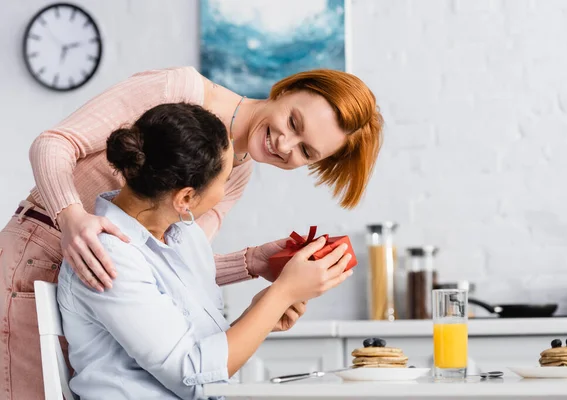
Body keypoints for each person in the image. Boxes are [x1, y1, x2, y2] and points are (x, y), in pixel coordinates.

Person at [0, 66, 382, 398]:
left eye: (306, 152)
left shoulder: (236, 174)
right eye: (294, 123)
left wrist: (253, 264)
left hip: (109, 281)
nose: (285, 145)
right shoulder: (177, 88)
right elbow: (54, 143)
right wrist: (71, 218)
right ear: (285, 89)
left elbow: (171, 266)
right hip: (40, 252)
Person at [57, 102, 353, 399]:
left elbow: (197, 356)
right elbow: (193, 378)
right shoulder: (107, 254)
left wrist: (261, 314)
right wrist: (282, 294)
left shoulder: (185, 237)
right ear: (185, 198)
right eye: (224, 180)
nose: (224, 191)